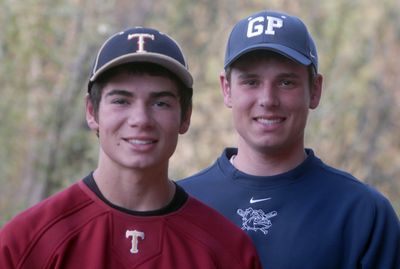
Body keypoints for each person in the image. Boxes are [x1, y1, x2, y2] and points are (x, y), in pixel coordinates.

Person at [0, 27, 262, 269]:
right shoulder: (27, 241)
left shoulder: (226, 249)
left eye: (160, 103)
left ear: (185, 117)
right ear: (92, 112)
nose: (140, 120)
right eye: (121, 101)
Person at [179, 10, 400, 269]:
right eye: (251, 82)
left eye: (286, 82)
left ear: (315, 90)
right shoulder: (180, 203)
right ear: (226, 90)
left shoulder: (361, 213)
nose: (268, 100)